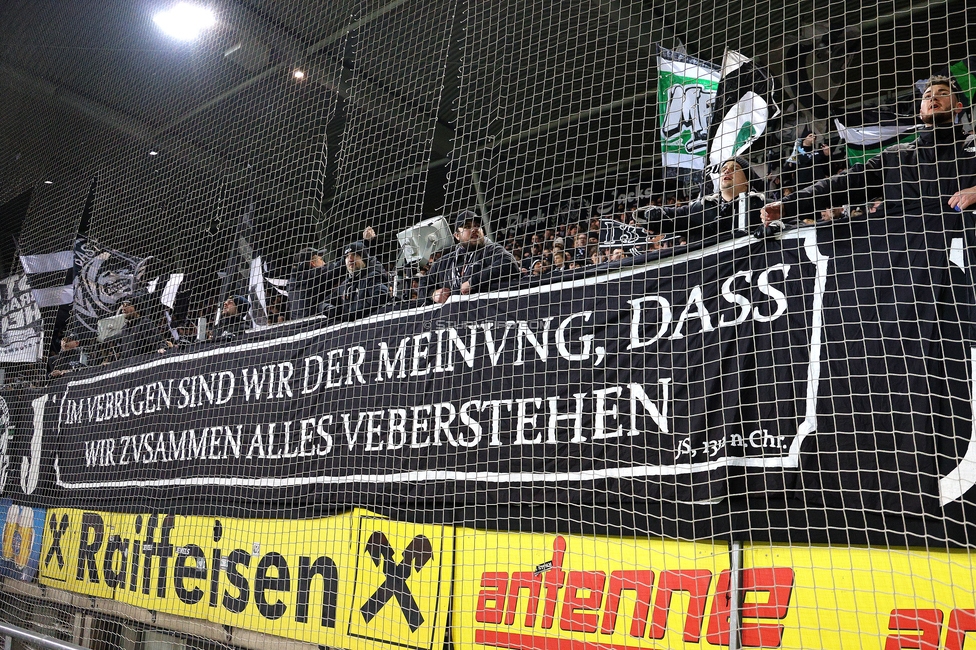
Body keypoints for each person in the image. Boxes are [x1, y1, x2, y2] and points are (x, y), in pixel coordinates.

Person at [761, 75, 976, 228]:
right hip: (912, 262)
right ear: (920, 112)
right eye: (927, 95)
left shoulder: (972, 146)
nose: (933, 98)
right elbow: (843, 183)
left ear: (958, 107)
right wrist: (789, 205)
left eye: (942, 93)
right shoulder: (896, 156)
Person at [642, 157, 766, 241]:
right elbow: (673, 217)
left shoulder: (762, 206)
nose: (727, 171)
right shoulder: (700, 207)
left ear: (747, 181)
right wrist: (653, 215)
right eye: (724, 169)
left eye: (735, 169)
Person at [419, 211, 521, 304]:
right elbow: (423, 284)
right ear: (457, 236)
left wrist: (473, 282)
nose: (474, 229)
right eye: (467, 227)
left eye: (477, 226)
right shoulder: (444, 262)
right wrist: (433, 294)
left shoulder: (491, 249)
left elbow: (509, 263)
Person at [332, 241, 390, 320]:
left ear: (364, 259)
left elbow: (382, 295)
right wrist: (333, 311)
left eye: (355, 255)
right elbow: (323, 303)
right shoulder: (344, 285)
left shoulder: (372, 277)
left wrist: (351, 314)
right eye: (347, 256)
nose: (350, 259)